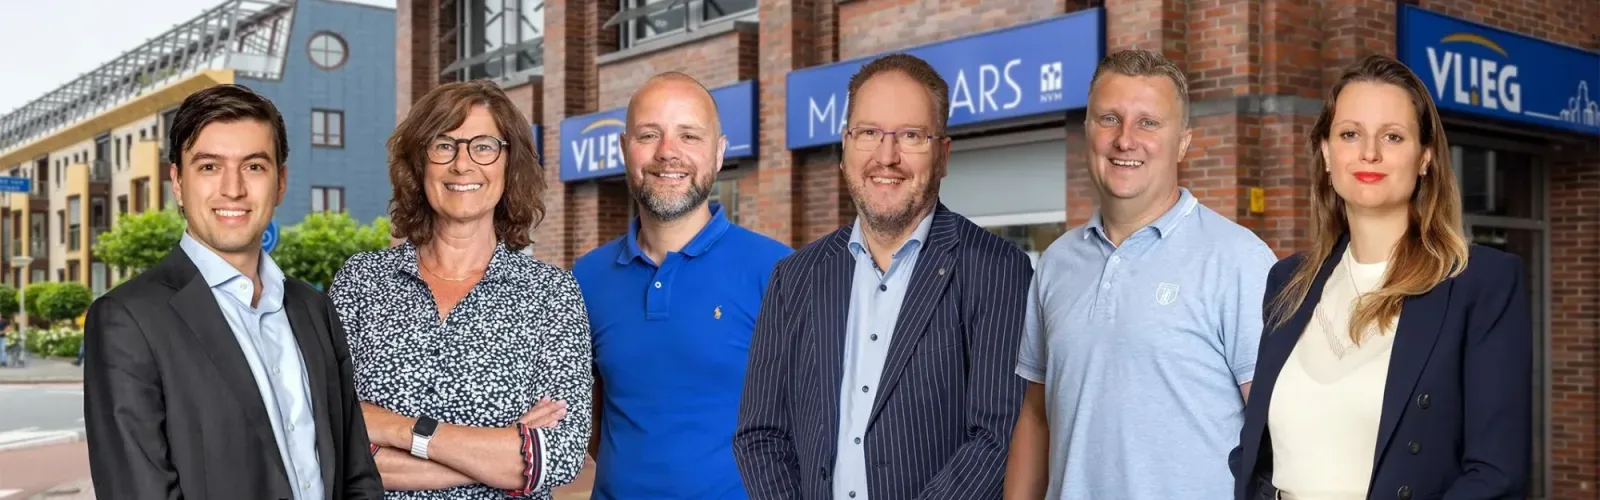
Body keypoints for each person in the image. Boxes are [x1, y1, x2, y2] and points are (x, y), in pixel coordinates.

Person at [734, 53, 1034, 500]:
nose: (886, 156)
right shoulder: (794, 278)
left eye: (911, 135)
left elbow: (996, 439)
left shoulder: (998, 270)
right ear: (844, 147)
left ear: (943, 154)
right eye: (868, 133)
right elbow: (760, 433)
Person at [1231, 54, 1531, 500]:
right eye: (1350, 134)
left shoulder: (1479, 283)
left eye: (1392, 136)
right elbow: (1256, 450)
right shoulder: (1288, 282)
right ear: (1327, 154)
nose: (1369, 152)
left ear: (1425, 157)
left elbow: (1496, 473)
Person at [82, 83, 383, 498]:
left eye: (254, 166)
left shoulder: (314, 309)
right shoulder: (127, 320)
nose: (233, 189)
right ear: (178, 183)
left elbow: (356, 474)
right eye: (209, 167)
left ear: (280, 182)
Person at [1003, 49, 1279, 500]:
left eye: (1149, 122)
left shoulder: (1239, 260)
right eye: (1109, 118)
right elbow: (1036, 416)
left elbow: (1277, 435)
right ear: (1087, 131)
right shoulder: (1055, 263)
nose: (1125, 139)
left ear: (1184, 143)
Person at [327, 80, 592, 499]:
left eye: (484, 146)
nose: (462, 164)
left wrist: (397, 430)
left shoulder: (551, 294)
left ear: (510, 163)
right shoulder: (361, 281)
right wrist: (500, 454)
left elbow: (558, 455)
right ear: (418, 163)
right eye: (443, 145)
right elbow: (329, 441)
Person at [573, 72, 792, 499]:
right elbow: (590, 422)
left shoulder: (779, 271)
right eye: (649, 134)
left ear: (719, 153)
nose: (667, 153)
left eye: (689, 135)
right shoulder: (586, 278)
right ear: (624, 149)